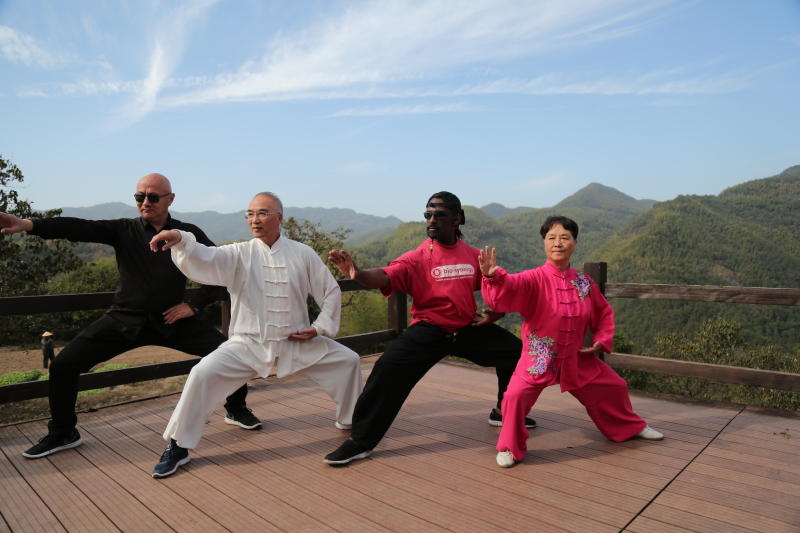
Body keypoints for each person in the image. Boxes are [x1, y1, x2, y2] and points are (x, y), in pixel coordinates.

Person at [0, 173, 260, 460]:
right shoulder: (123, 229)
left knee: (231, 354)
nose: (145, 202)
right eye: (139, 196)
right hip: (123, 320)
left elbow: (221, 269)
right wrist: (29, 224)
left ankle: (236, 409)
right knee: (62, 365)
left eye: (153, 197)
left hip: (172, 321)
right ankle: (63, 432)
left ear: (170, 199)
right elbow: (77, 227)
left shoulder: (187, 233)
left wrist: (194, 305)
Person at [149, 192, 362, 478]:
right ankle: (178, 446)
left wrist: (319, 327)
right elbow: (205, 258)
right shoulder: (238, 253)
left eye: (262, 213)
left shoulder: (302, 253)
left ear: (279, 218)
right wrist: (182, 239)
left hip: (296, 341)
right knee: (201, 373)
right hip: (248, 344)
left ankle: (351, 420)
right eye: (250, 214)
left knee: (348, 361)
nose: (254, 219)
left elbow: (330, 291)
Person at [323, 191, 533, 465]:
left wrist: (498, 310)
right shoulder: (417, 258)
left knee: (516, 352)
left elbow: (495, 285)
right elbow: (385, 275)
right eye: (428, 214)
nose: (431, 219)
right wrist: (359, 274)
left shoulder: (473, 256)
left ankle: (503, 411)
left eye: (439, 214)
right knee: (387, 370)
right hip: (429, 330)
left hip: (466, 328)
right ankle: (360, 441)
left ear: (457, 219)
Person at [479, 215, 663, 468]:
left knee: (615, 385)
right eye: (551, 238)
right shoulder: (533, 278)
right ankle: (510, 446)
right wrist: (493, 277)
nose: (558, 243)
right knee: (514, 397)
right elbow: (506, 291)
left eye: (565, 238)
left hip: (577, 358)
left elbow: (603, 313)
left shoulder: (584, 283)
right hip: (539, 358)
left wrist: (600, 340)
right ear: (544, 243)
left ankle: (630, 427)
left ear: (575, 244)